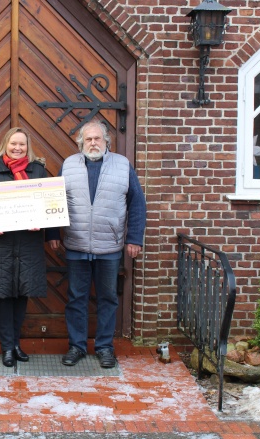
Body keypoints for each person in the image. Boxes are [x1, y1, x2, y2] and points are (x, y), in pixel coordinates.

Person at [49, 120, 146, 369]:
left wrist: (134, 238)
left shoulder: (122, 165)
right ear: (81, 143)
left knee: (108, 298)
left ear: (107, 141)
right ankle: (77, 346)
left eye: (98, 139)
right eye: (88, 139)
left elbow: (136, 203)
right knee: (76, 299)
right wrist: (52, 233)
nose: (93, 143)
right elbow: (54, 200)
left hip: (109, 247)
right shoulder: (69, 165)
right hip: (76, 244)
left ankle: (104, 348)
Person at [0, 127, 51, 367]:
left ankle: (17, 344)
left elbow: (48, 201)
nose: (17, 148)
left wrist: (41, 221)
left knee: (21, 295)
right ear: (5, 145)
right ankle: (7, 347)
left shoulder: (38, 170)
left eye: (22, 144)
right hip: (2, 245)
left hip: (29, 244)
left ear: (28, 147)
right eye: (13, 144)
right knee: (4, 296)